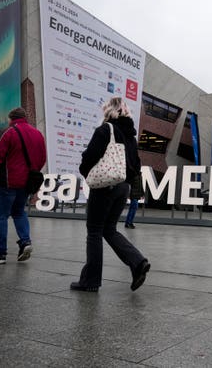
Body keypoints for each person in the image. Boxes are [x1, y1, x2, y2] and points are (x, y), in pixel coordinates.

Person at [71, 96, 150, 292]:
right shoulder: (130, 136)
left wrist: (86, 171)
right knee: (109, 229)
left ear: (108, 111)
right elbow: (136, 166)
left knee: (95, 231)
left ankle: (90, 281)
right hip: (123, 188)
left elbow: (90, 157)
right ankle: (137, 261)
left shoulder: (105, 130)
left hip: (105, 186)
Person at [0, 107, 46, 264]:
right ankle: (25, 242)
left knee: (0, 216)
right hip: (26, 184)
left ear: (11, 118)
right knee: (19, 212)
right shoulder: (38, 134)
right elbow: (42, 159)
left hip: (6, 182)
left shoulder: (8, 132)